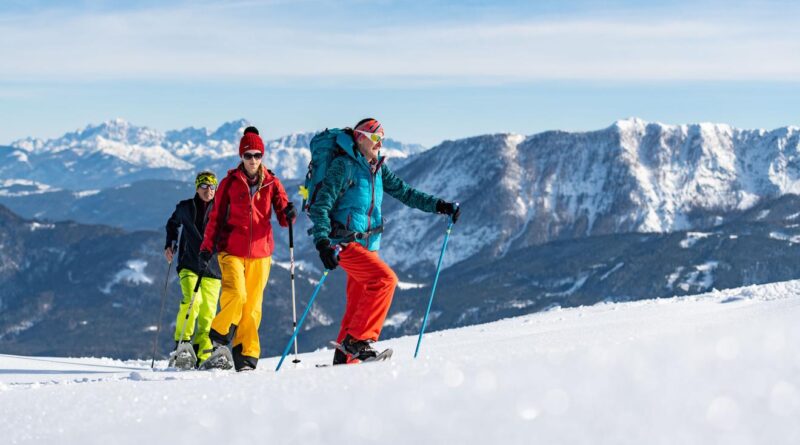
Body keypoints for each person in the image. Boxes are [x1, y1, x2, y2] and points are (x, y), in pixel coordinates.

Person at [309, 118, 460, 364]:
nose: (380, 143)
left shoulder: (377, 168)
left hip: (370, 245)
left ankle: (345, 361)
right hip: (345, 242)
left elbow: (405, 192)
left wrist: (439, 206)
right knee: (385, 280)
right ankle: (358, 341)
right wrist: (322, 242)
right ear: (360, 138)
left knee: (358, 305)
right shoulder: (343, 166)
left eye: (382, 139)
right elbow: (321, 205)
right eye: (376, 138)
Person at [198, 126, 296, 371]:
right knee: (237, 295)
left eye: (257, 155)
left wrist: (289, 213)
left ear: (262, 156)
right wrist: (207, 247)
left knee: (252, 308)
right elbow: (215, 219)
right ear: (241, 156)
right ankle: (219, 333)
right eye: (248, 155)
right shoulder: (229, 183)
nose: (253, 160)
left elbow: (284, 218)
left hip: (261, 254)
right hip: (231, 250)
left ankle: (246, 356)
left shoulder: (272, 183)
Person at [164, 170, 222, 368]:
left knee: (208, 314)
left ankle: (203, 351)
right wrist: (170, 243)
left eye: (212, 186)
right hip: (189, 263)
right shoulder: (185, 207)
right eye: (204, 186)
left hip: (214, 268)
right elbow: (173, 224)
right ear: (197, 188)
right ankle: (183, 343)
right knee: (192, 301)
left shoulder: (222, 209)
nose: (208, 190)